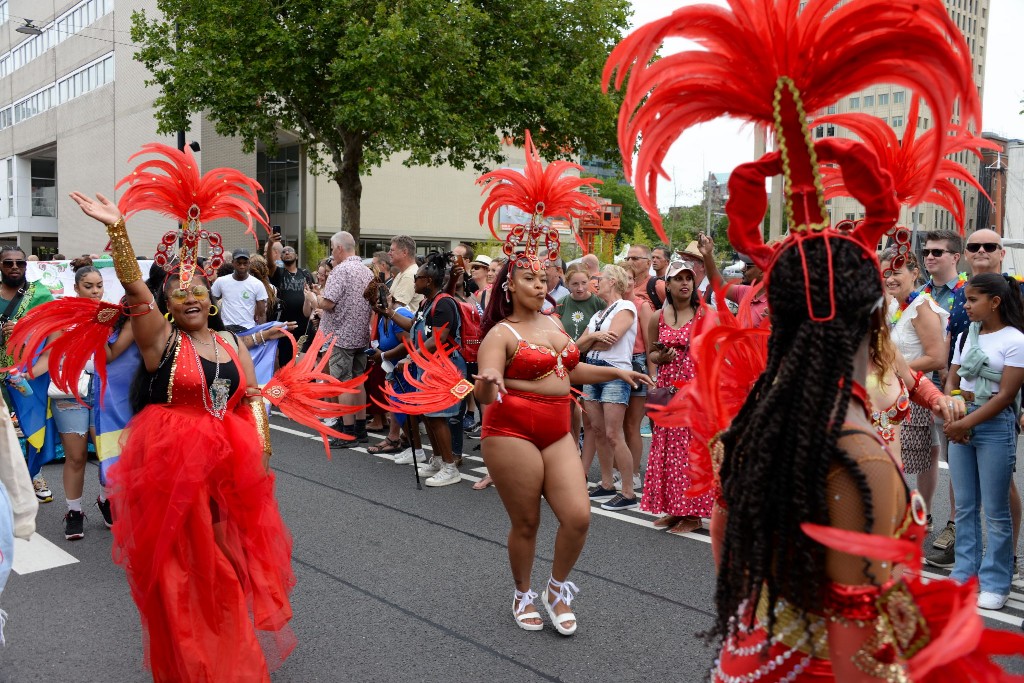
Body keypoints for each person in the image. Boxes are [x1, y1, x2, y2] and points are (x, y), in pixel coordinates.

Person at [604, 0, 1022, 676]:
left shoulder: (757, 433)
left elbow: (735, 568)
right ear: (868, 317)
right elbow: (860, 659)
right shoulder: (856, 458)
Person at [67, 183, 297, 678]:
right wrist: (118, 231)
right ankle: (196, 661)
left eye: (197, 288)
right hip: (174, 469)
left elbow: (251, 398)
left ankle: (228, 654)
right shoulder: (159, 338)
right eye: (178, 291)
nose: (189, 295)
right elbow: (134, 291)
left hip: (227, 474)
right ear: (167, 301)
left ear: (209, 296)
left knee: (229, 569)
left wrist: (256, 460)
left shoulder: (232, 342)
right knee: (187, 572)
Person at [942, 273, 1024, 610]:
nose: (966, 305)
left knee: (996, 511)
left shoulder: (1015, 339)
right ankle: (965, 573)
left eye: (973, 299)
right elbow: (952, 379)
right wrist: (952, 414)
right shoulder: (965, 335)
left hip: (993, 424)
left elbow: (1005, 396)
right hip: (961, 419)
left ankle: (995, 581)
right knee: (964, 506)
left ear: (995, 302)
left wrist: (963, 423)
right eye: (965, 299)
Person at [961, 228, 1023, 574]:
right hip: (962, 405)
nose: (981, 250)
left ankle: (1004, 561)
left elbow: (1015, 367)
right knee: (966, 496)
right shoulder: (961, 295)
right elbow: (956, 355)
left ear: (1001, 252)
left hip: (1000, 405)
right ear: (965, 253)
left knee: (1000, 492)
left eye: (989, 245)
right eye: (974, 245)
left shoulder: (1017, 292)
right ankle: (967, 564)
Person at [643, 261, 714, 534]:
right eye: (678, 278)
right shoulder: (657, 317)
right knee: (668, 452)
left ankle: (694, 514)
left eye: (689, 278)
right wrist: (661, 356)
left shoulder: (705, 315)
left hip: (695, 392)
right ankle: (675, 509)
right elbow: (650, 353)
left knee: (690, 453)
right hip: (667, 391)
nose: (685, 283)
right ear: (668, 285)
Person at [881, 248, 949, 521]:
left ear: (915, 273)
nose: (891, 278)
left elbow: (936, 357)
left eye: (897, 272)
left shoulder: (922, 307)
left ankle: (920, 515)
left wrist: (895, 371)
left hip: (912, 393)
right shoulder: (896, 305)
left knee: (914, 459)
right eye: (886, 273)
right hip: (889, 392)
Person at [920, 229, 968, 567]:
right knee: (923, 455)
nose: (930, 256)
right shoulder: (920, 293)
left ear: (955, 256)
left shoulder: (967, 294)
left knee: (957, 463)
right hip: (917, 388)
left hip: (953, 391)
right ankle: (924, 517)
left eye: (938, 251)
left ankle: (955, 526)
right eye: (927, 251)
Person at [576, 264, 641, 510]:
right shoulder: (597, 315)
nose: (596, 282)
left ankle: (628, 492)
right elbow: (578, 347)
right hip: (593, 372)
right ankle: (606, 483)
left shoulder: (626, 307)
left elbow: (610, 340)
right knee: (598, 430)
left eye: (599, 278)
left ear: (612, 281)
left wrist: (590, 341)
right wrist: (593, 338)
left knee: (614, 434)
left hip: (614, 374)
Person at [0, 245, 55, 502]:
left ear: (26, 266)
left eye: (19, 263)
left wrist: (24, 330)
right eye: (8, 263)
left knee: (33, 423)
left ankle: (35, 474)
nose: (14, 267)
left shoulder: (40, 293)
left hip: (29, 372)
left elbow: (53, 334)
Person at [316, 231, 374, 444]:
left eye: (332, 248)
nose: (332, 252)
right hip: (360, 334)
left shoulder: (340, 271)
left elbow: (329, 303)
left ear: (340, 248)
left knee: (342, 383)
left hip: (340, 335)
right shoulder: (367, 271)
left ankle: (347, 430)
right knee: (358, 381)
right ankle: (360, 428)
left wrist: (316, 299)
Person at [554, 263, 606, 459]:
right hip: (567, 358)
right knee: (568, 403)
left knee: (588, 405)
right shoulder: (561, 303)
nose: (580, 287)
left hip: (590, 359)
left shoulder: (598, 303)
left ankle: (587, 445)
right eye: (575, 283)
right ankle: (572, 444)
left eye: (584, 283)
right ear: (567, 284)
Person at [622, 244, 657, 492]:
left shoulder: (642, 305)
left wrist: (653, 374)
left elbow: (650, 341)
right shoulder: (610, 305)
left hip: (638, 363)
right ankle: (620, 470)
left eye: (629, 279)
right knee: (617, 424)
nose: (625, 283)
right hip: (616, 365)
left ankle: (634, 472)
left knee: (632, 424)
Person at [266, 237, 315, 366]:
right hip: (285, 326)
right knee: (286, 362)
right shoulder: (278, 273)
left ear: (297, 256)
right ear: (280, 258)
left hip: (304, 326)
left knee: (303, 363)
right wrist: (271, 243)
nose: (287, 253)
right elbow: (270, 264)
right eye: (284, 252)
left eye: (290, 251)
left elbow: (313, 294)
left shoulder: (305, 274)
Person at [211, 248, 268, 332]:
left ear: (249, 264)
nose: (242, 266)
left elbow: (261, 314)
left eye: (245, 263)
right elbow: (211, 302)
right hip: (226, 329)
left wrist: (262, 335)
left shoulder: (257, 284)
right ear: (233, 263)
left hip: (248, 330)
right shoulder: (221, 281)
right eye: (239, 263)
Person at [387, 235, 423, 313]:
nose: (389, 253)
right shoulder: (403, 273)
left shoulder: (409, 275)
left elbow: (396, 308)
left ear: (404, 252)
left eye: (392, 250)